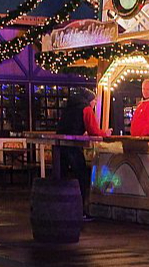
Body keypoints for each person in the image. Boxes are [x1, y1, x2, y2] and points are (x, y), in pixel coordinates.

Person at [57, 88, 111, 219]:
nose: (94, 105)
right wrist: (105, 133)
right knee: (82, 177)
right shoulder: (86, 108)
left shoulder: (70, 107)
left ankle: (61, 208)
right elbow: (93, 130)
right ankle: (80, 210)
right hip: (73, 146)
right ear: (90, 100)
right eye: (95, 102)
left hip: (59, 146)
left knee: (61, 177)